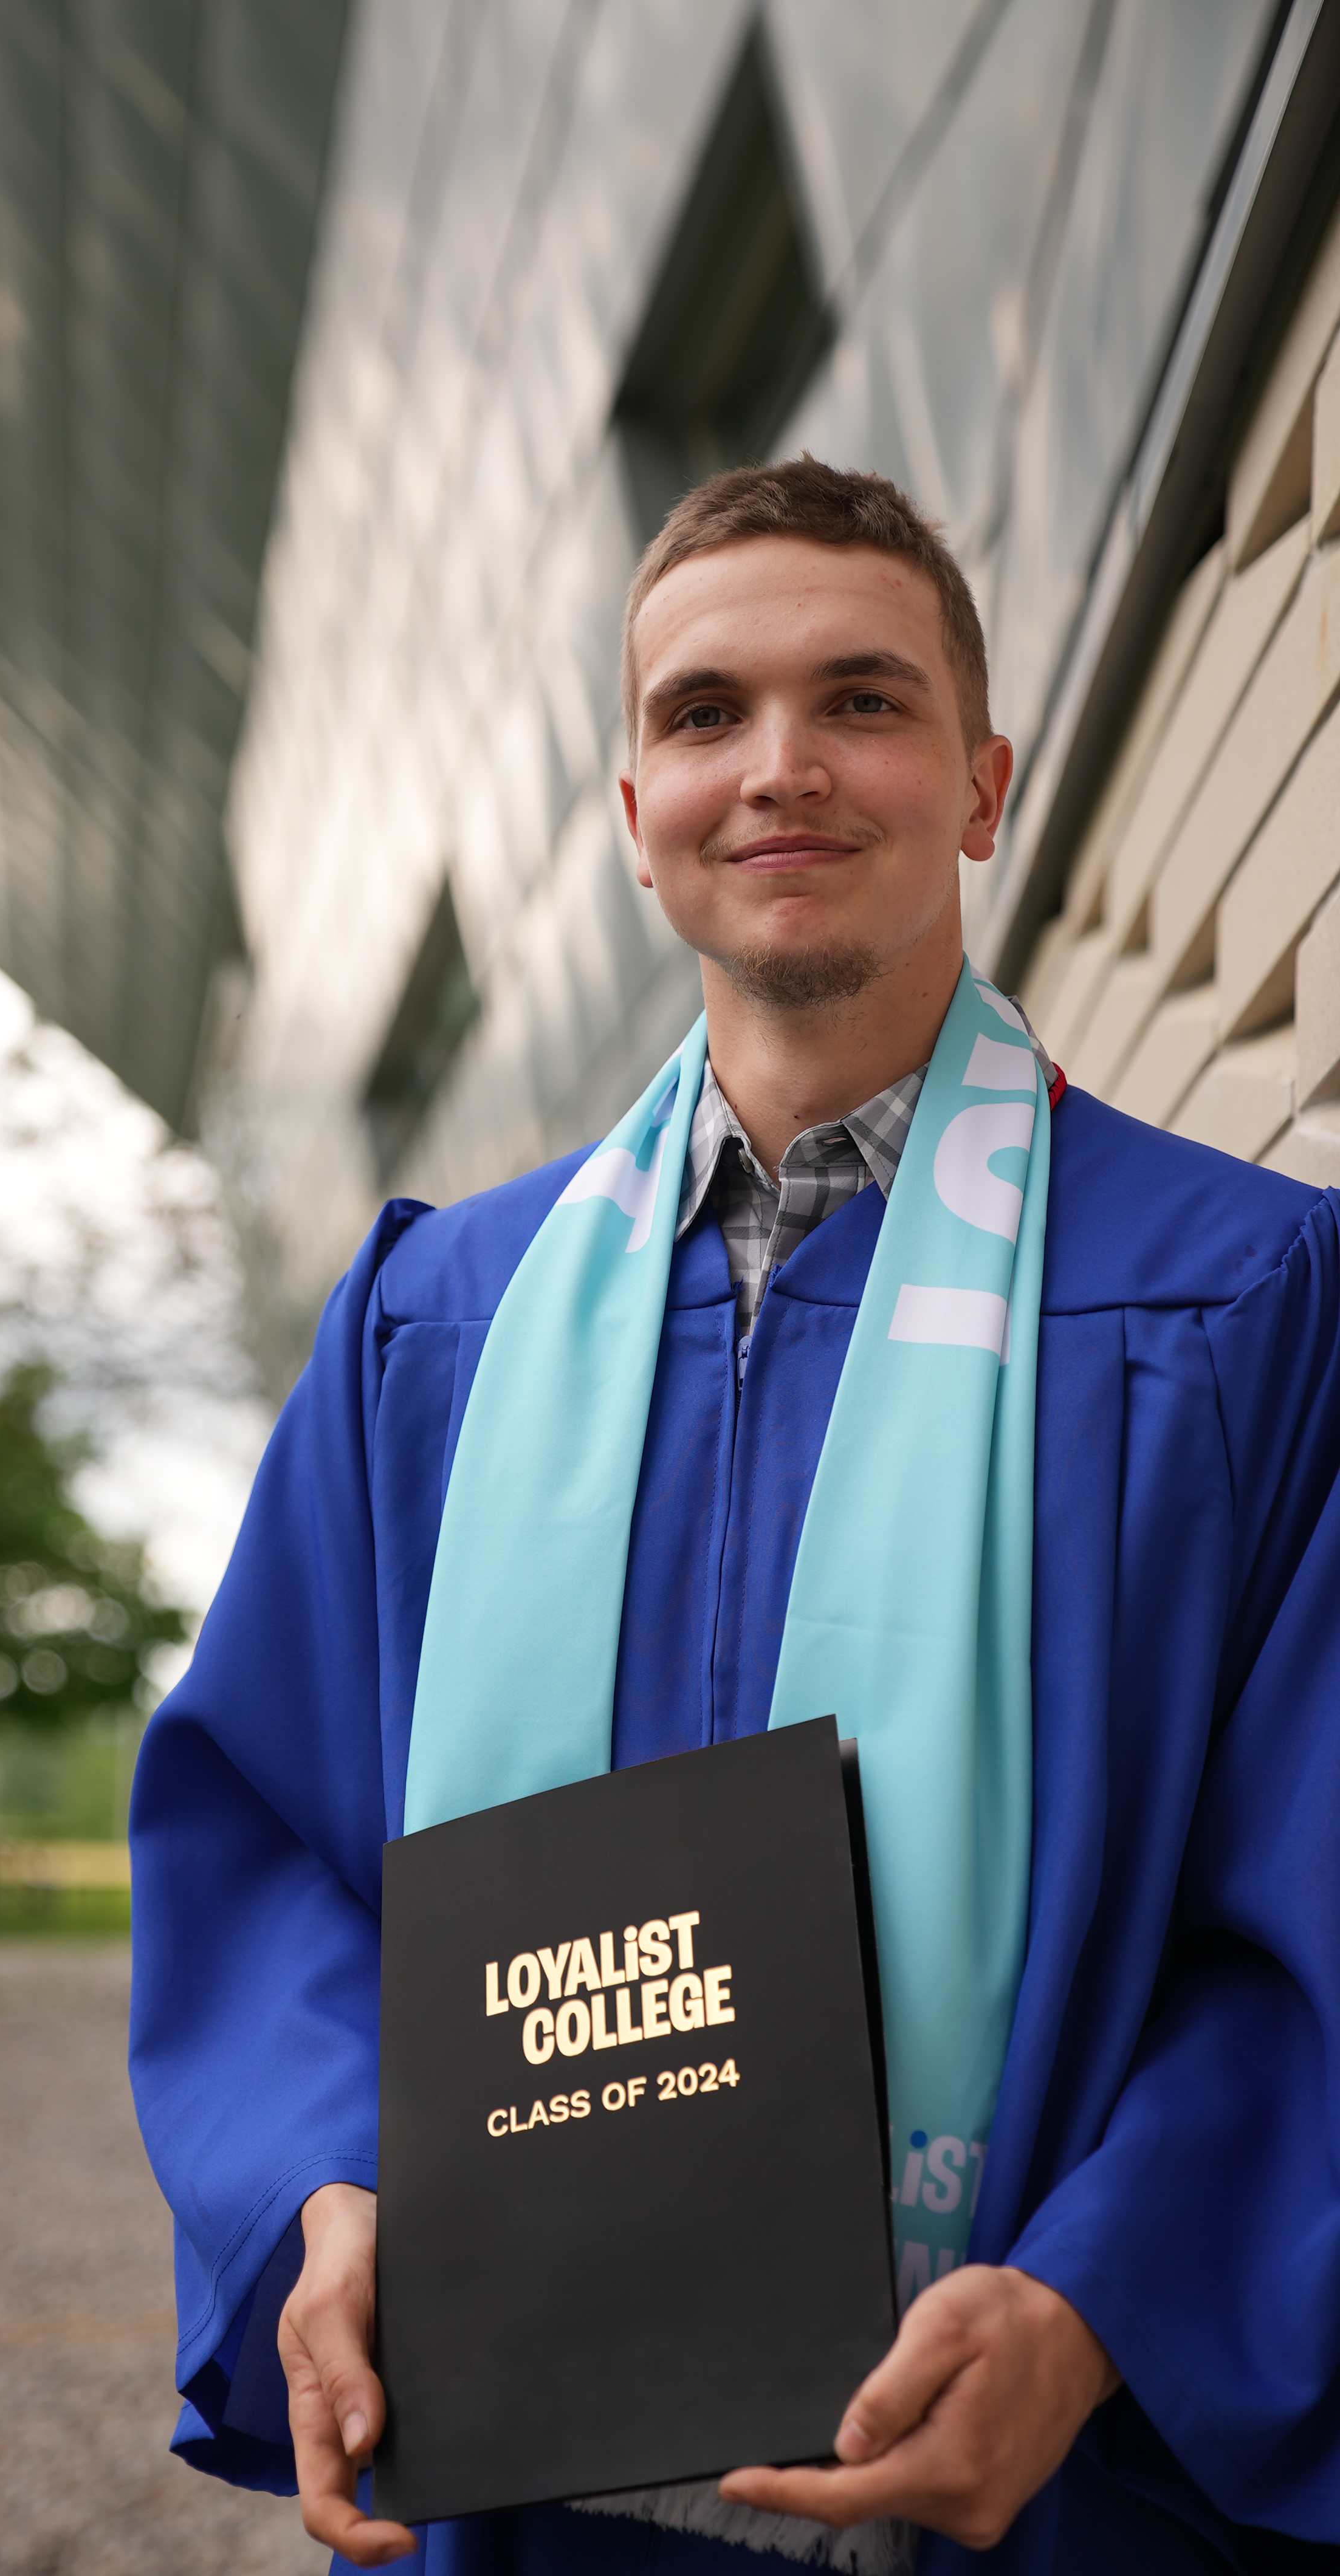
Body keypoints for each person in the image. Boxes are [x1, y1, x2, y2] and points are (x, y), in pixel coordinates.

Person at [129, 459, 1340, 2575]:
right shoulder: (444, 1320)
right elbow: (266, 1843)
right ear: (632, 817)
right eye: (704, 715)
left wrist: (1103, 2302)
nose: (779, 769)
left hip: (1044, 2489)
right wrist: (322, 2190)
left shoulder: (1242, 1304)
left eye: (860, 702)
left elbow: (1314, 1910)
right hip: (519, 2485)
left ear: (981, 785)